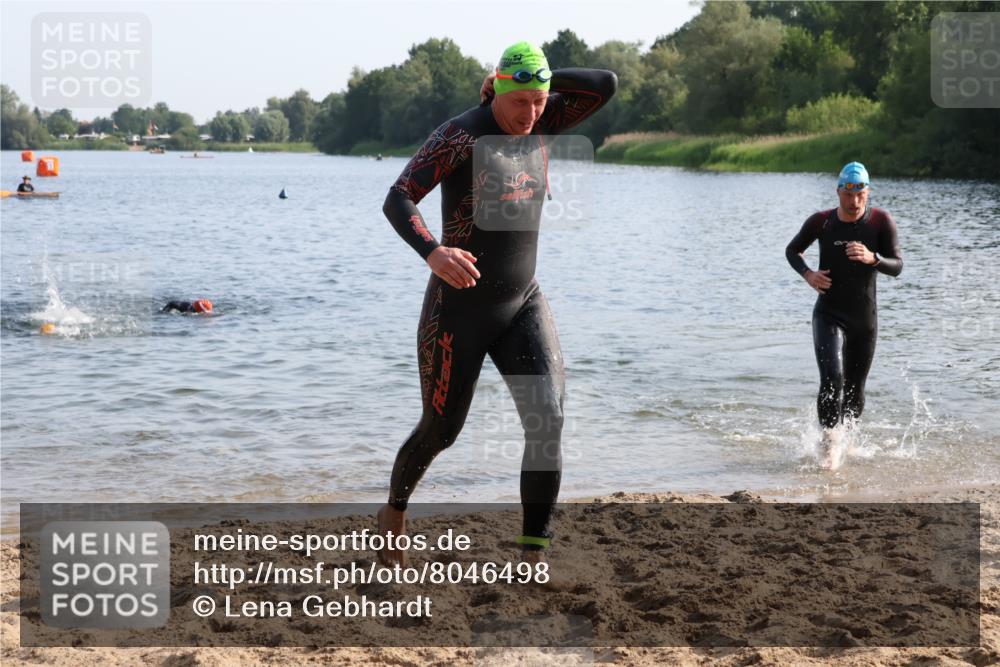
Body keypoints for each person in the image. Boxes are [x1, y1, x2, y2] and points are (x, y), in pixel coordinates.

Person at [379, 41, 617, 564]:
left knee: (547, 418)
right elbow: (398, 198)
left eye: (541, 100)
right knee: (441, 430)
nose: (531, 114)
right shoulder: (462, 134)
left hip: (522, 301)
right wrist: (433, 252)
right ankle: (394, 509)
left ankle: (533, 551)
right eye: (520, 101)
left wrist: (539, 79)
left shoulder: (544, 119)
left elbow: (604, 83)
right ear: (496, 89)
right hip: (459, 307)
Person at [785, 162, 902, 468]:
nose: (853, 200)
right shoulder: (822, 222)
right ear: (838, 191)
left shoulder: (880, 222)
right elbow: (792, 251)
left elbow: (898, 266)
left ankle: (847, 437)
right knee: (832, 379)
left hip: (864, 319)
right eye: (848, 193)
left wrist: (872, 257)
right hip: (829, 314)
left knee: (855, 388)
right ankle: (829, 442)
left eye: (859, 192)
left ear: (868, 191)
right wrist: (809, 275)